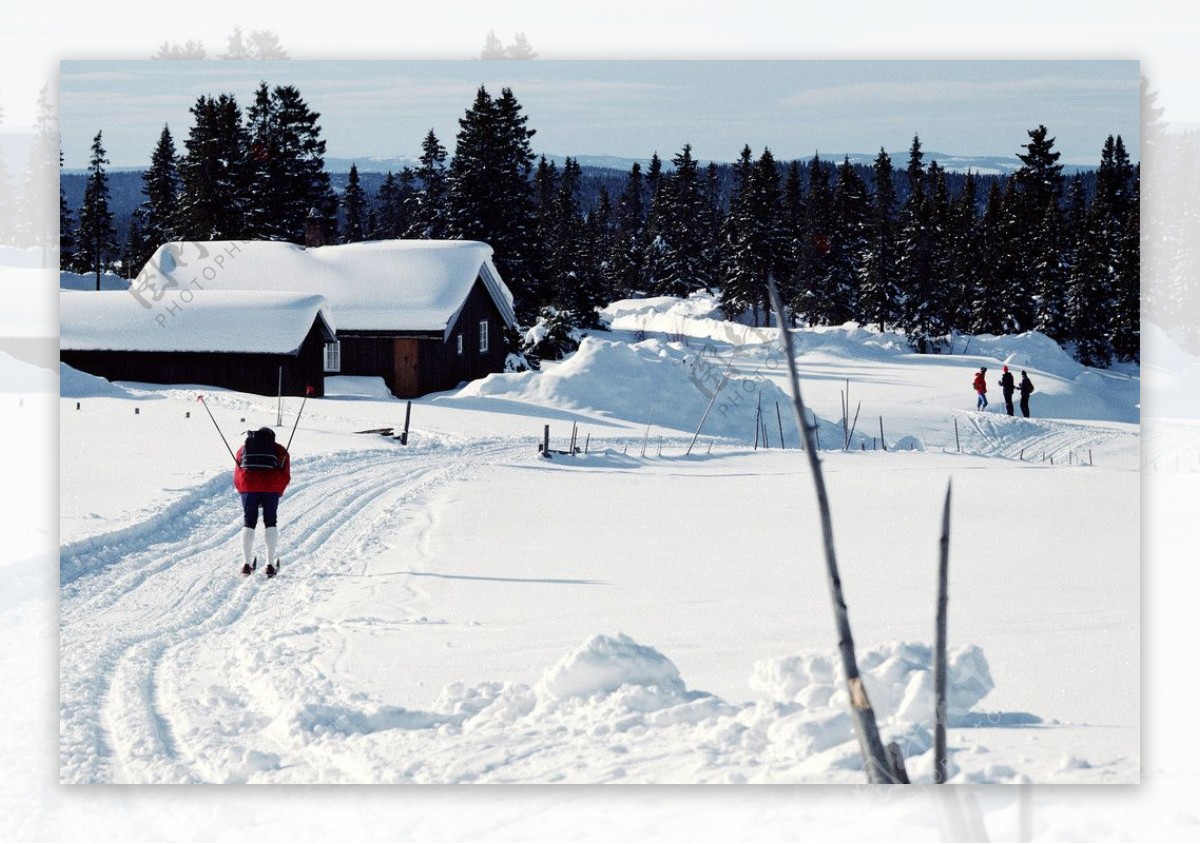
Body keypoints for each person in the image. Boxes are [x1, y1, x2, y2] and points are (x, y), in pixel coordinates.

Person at [234, 427, 291, 577]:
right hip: (271, 486)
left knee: (249, 522)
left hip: (248, 486)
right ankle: (270, 565)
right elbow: (285, 476)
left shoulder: (243, 449)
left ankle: (246, 564)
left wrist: (244, 491)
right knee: (270, 522)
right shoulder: (279, 450)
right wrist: (277, 491)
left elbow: (237, 474)